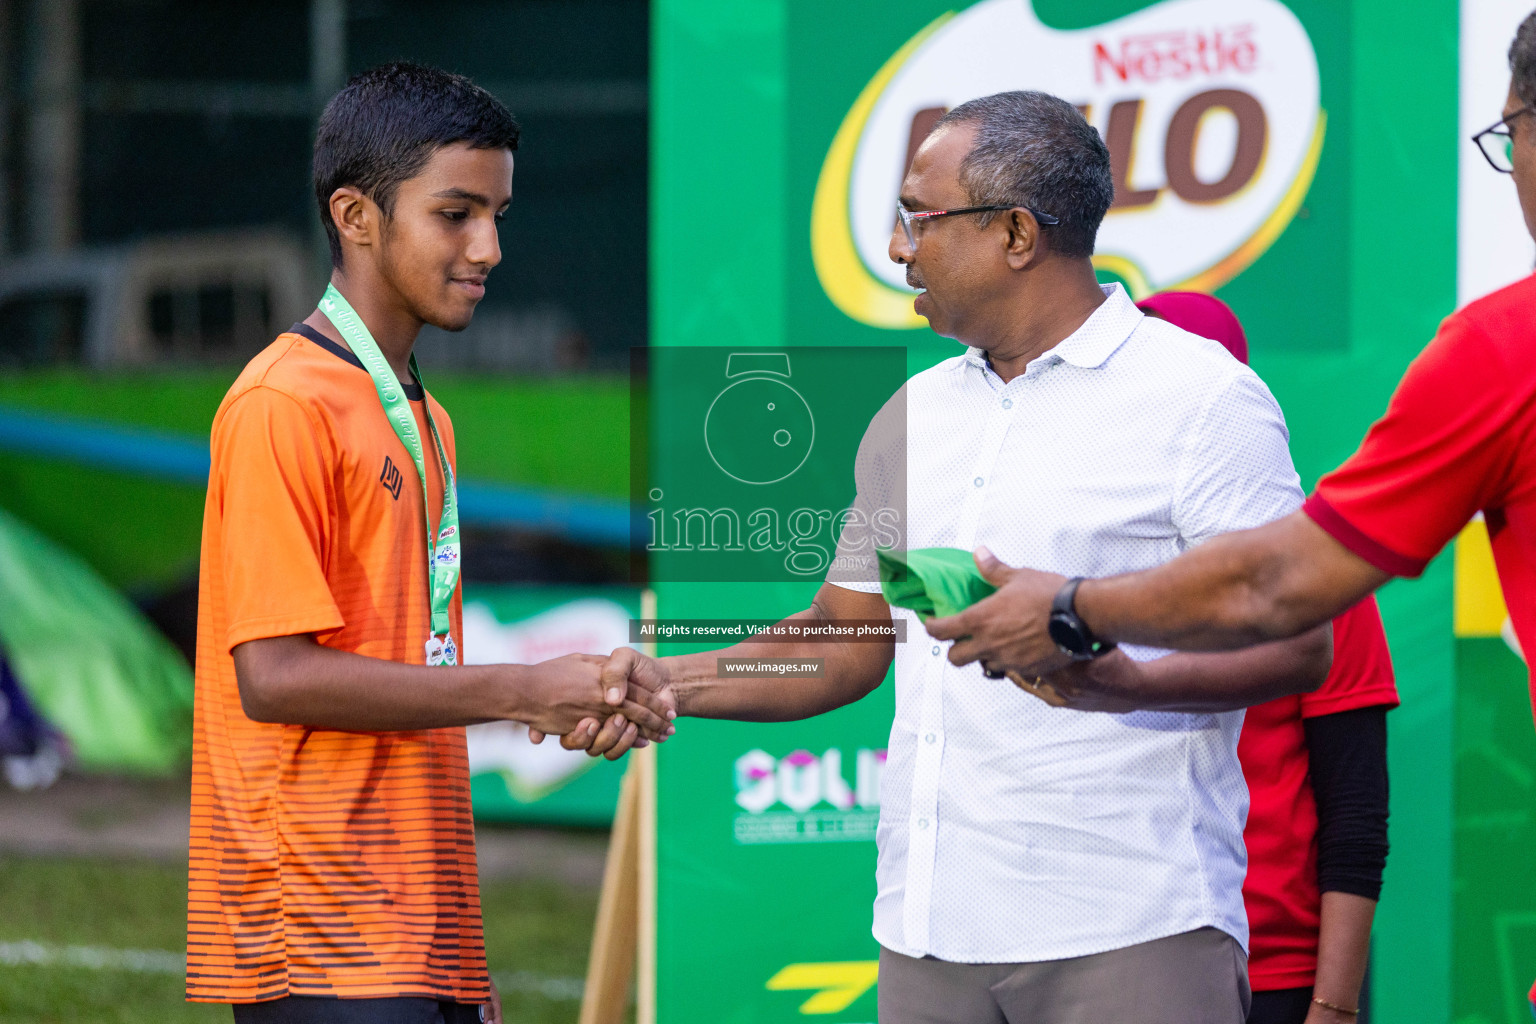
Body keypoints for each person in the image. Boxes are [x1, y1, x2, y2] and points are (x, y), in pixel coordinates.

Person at [579, 91, 1333, 1023]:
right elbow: (845, 636)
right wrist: (667, 682)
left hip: (1132, 932)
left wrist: (1115, 680)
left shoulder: (1205, 401)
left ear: (1017, 233)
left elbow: (1303, 646)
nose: (897, 249)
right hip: (927, 936)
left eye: (917, 219)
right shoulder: (916, 415)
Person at [920, 16, 1536, 1012]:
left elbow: (1290, 630)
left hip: (1238, 951)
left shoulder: (1499, 360)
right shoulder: (954, 449)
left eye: (1510, 140)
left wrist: (1077, 612)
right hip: (1074, 926)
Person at [184, 63, 673, 1024]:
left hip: (416, 919)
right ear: (357, 215)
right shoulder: (282, 403)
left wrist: (458, 953)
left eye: (498, 214)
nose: (489, 246)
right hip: (313, 927)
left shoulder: (423, 414)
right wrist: (526, 688)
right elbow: (274, 677)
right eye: (456, 214)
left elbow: (415, 667)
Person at [1139, 292, 1399, 1024]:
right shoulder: (1079, 565)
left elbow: (1355, 814)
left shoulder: (1317, 576)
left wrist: (1335, 1005)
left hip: (1274, 975)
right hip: (1111, 954)